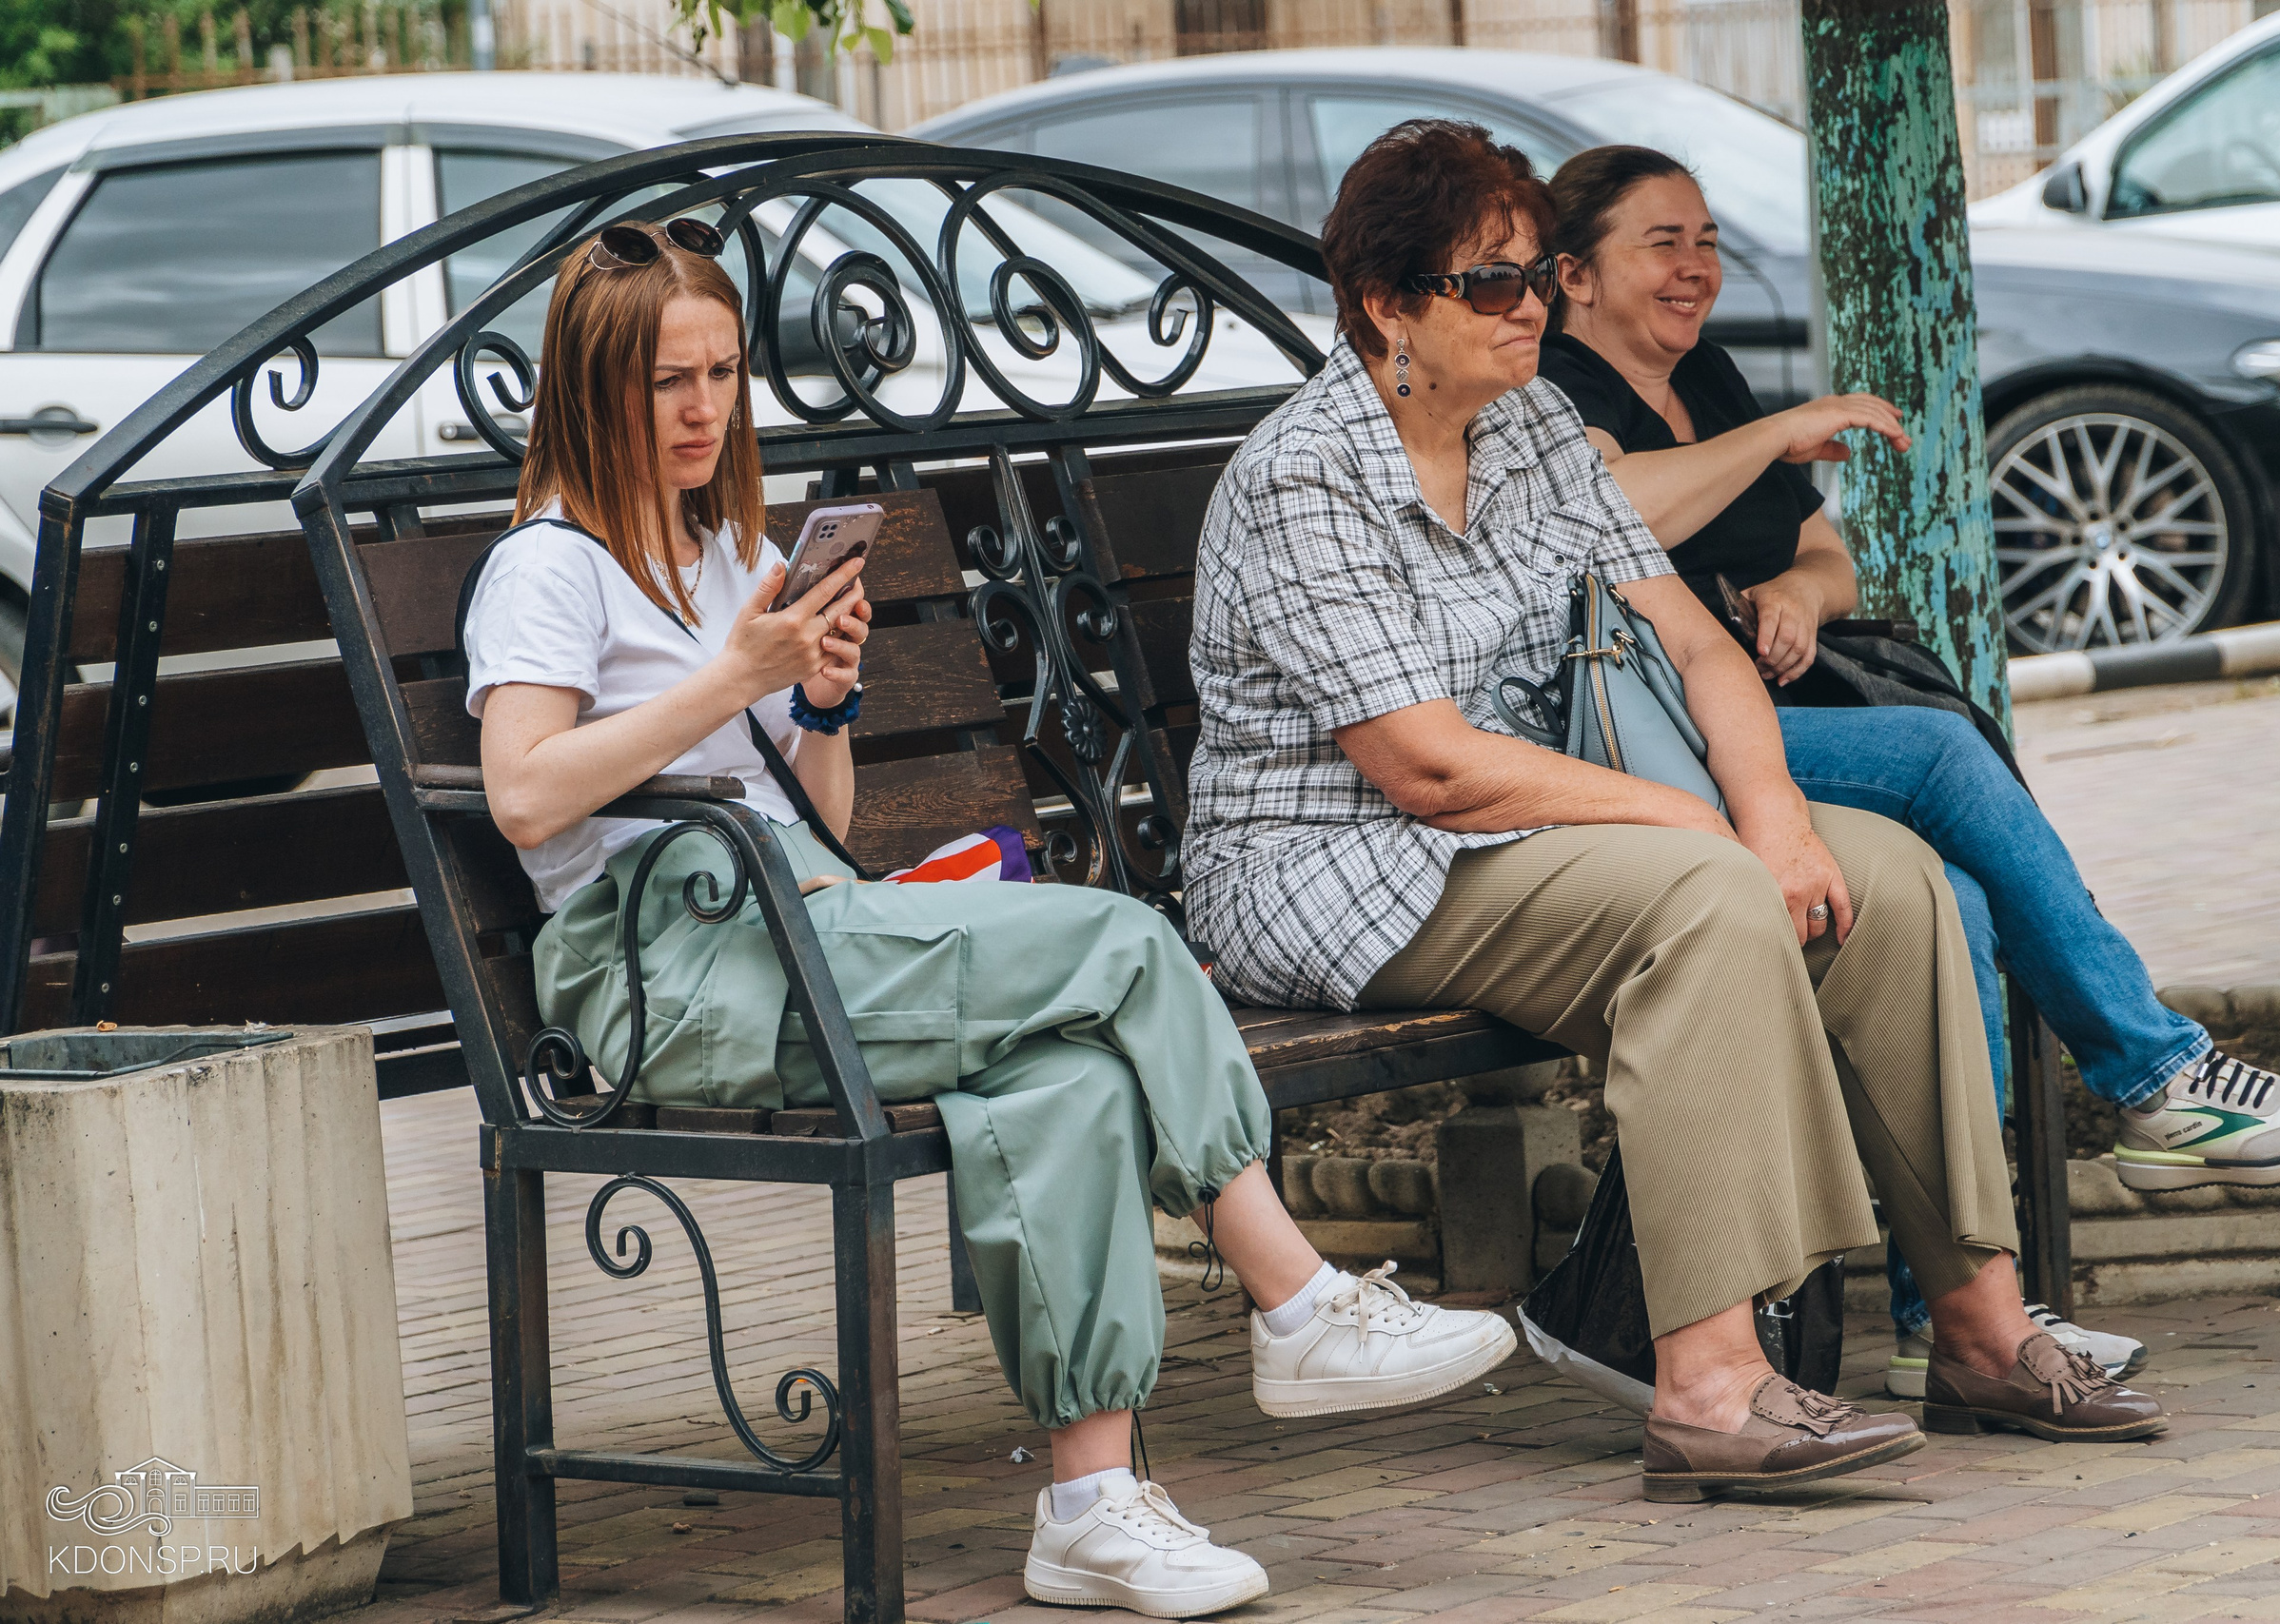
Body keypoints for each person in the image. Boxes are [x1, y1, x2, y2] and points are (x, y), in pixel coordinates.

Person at [460, 216, 1520, 1619]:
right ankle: (1297, 1298)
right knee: (1126, 942)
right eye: (668, 381)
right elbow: (525, 797)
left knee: (1070, 1079)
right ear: (594, 391)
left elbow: (820, 820)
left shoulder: (724, 549)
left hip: (793, 923)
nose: (706, 407)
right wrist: (733, 683)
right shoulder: (550, 566)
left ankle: (1090, 1508)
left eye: (721, 372)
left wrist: (820, 696)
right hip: (670, 975)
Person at [1185, 118, 2167, 1494]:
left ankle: (1980, 1328)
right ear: (1386, 305)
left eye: (1533, 275)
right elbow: (1428, 768)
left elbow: (1697, 643)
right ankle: (1710, 1381)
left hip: (1523, 831)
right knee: (1708, 902)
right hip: (1334, 865)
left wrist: (1770, 814)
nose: (1529, 307)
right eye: (1489, 283)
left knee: (1877, 870)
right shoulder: (1307, 472)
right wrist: (1703, 832)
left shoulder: (1527, 426)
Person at [1536, 143, 2280, 1398]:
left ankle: (1958, 1320)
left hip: (1751, 720)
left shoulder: (1700, 374)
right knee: (1932, 743)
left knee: (1953, 906)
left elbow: (1826, 551)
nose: (1694, 267)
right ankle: (2157, 1074)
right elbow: (1611, 507)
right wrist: (1778, 436)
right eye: (1661, 242)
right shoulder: (1553, 383)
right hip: (1631, 751)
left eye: (1704, 239)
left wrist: (1799, 595)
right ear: (1574, 274)